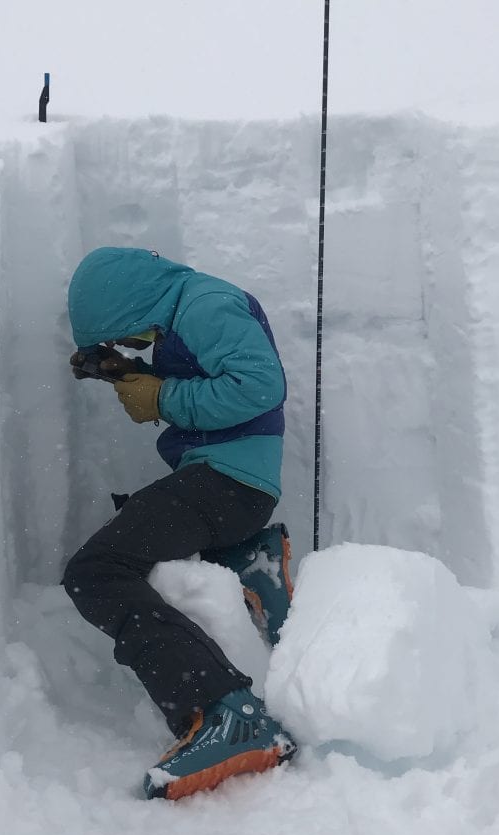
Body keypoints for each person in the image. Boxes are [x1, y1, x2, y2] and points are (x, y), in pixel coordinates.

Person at [62, 247, 296, 801]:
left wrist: (162, 396)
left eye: (131, 336)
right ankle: (247, 561)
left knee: (97, 570)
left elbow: (260, 387)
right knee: (138, 524)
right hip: (223, 482)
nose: (135, 348)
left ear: (136, 302)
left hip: (228, 481)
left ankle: (224, 712)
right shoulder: (186, 310)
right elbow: (204, 371)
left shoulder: (206, 305)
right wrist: (129, 372)